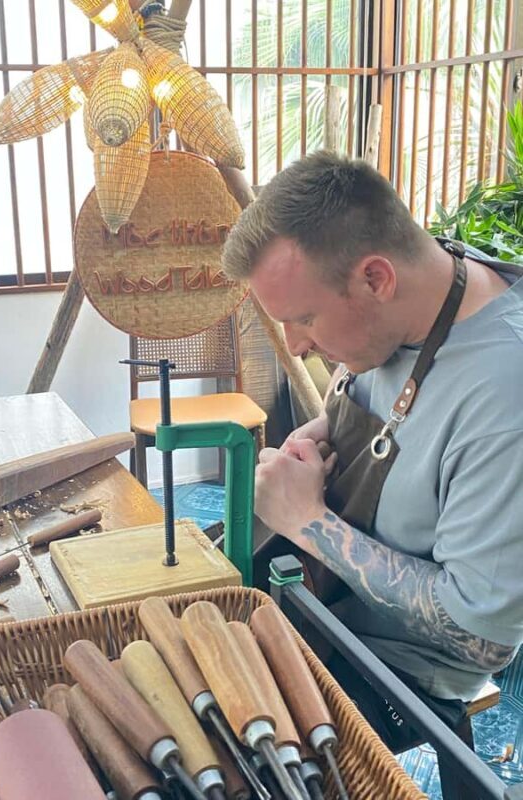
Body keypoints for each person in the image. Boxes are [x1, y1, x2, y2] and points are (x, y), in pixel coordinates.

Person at [221, 149, 523, 748]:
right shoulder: (420, 286)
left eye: (305, 318)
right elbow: (370, 389)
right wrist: (325, 430)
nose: (298, 346)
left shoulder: (503, 392)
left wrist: (310, 524)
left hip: (397, 667)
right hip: (316, 597)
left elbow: (483, 635)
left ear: (376, 279)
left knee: (229, 758)